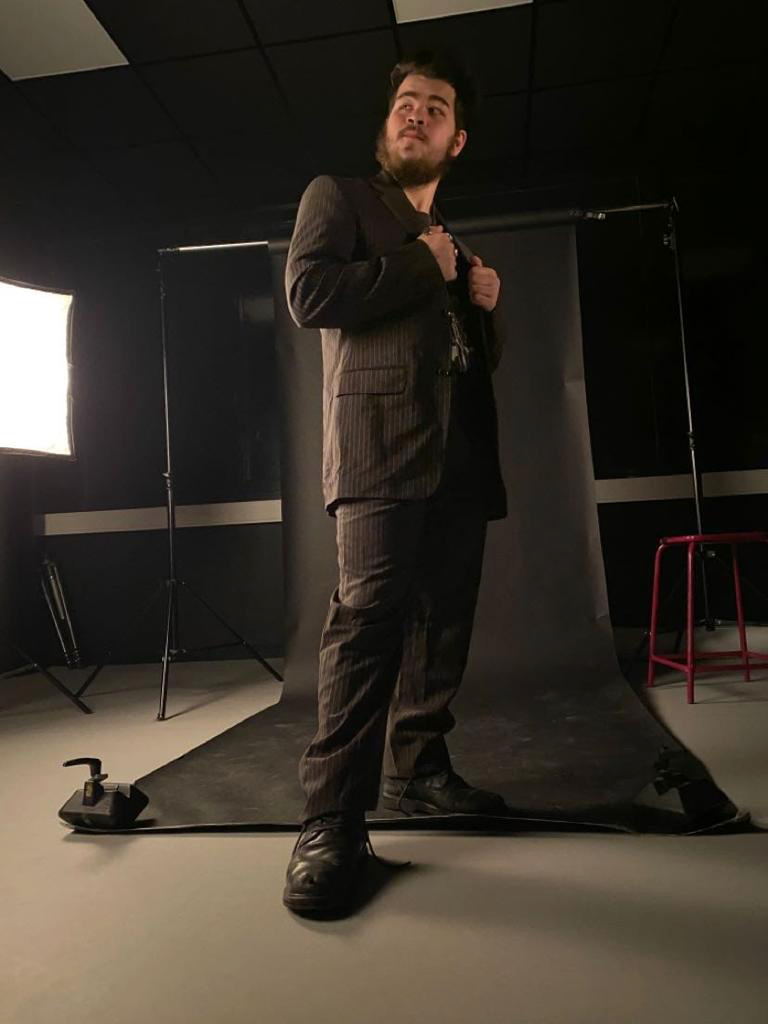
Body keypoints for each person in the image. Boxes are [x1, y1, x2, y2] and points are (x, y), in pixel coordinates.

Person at [283, 51, 508, 915]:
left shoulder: (453, 240)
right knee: (366, 625)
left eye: (435, 107)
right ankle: (330, 821)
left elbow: (465, 360)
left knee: (442, 623)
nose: (416, 114)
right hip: (378, 448)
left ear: (458, 139)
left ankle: (418, 772)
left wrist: (484, 308)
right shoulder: (339, 199)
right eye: (406, 103)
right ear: (388, 124)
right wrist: (426, 263)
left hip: (460, 456)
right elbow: (309, 294)